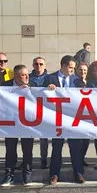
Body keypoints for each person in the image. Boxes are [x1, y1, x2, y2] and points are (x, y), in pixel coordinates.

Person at [45, 55, 85, 184]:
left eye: (73, 68)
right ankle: (54, 174)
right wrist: (47, 88)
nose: (72, 70)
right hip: (56, 118)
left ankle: (78, 173)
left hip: (72, 118)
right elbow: (39, 93)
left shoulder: (77, 80)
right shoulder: (50, 78)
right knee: (57, 147)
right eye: (70, 68)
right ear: (63, 66)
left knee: (75, 146)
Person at [1, 65, 35, 186]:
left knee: (27, 150)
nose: (26, 77)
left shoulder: (33, 85)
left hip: (28, 123)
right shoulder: (5, 85)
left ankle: (27, 175)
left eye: (27, 74)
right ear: (15, 76)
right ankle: (9, 175)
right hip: (11, 122)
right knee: (10, 150)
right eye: (23, 75)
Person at [30, 56, 49, 169]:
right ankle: (27, 159)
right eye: (36, 64)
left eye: (41, 64)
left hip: (45, 112)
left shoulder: (50, 78)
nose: (38, 66)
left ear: (45, 65)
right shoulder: (28, 77)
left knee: (44, 138)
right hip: (30, 111)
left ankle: (43, 159)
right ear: (33, 65)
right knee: (28, 137)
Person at [75, 62, 91, 167]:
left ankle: (82, 157)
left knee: (86, 138)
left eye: (85, 70)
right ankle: (77, 158)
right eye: (80, 70)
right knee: (78, 138)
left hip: (88, 113)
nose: (82, 72)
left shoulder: (90, 82)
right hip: (76, 112)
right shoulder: (74, 81)